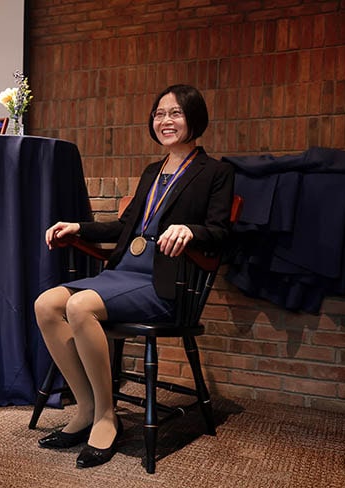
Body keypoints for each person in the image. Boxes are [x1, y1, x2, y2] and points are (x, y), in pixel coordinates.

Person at [34, 84, 234, 468]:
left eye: (175, 113)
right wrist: (78, 226)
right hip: (124, 273)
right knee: (46, 304)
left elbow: (222, 231)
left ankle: (108, 418)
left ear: (194, 118)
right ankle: (88, 406)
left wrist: (192, 231)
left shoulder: (216, 172)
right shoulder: (152, 171)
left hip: (163, 282)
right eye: (159, 114)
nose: (165, 121)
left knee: (78, 306)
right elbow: (126, 227)